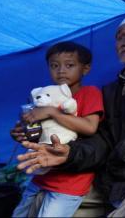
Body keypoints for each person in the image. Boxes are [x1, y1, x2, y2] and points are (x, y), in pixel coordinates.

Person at [17, 13, 125, 217]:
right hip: (109, 183)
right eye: (121, 37)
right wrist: (69, 154)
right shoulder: (109, 92)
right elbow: (101, 142)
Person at [11, 41, 104, 217]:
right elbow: (35, 136)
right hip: (41, 175)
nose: (61, 70)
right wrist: (22, 133)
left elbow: (90, 127)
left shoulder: (89, 93)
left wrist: (53, 113)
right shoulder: (43, 98)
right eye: (54, 65)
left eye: (69, 65)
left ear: (85, 69)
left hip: (71, 181)